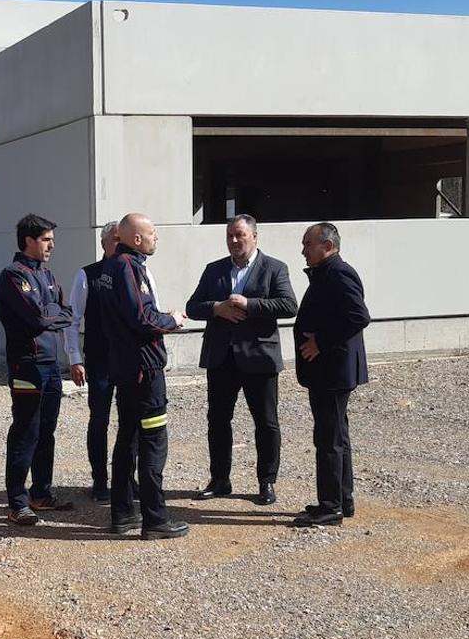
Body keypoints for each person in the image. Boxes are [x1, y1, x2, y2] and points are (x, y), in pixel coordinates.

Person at [186, 214, 298, 506]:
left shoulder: (274, 268)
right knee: (218, 420)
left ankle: (267, 482)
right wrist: (217, 308)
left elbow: (288, 305)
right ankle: (220, 479)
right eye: (230, 237)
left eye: (240, 235)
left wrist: (250, 304)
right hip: (221, 357)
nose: (234, 241)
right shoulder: (214, 270)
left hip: (259, 358)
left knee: (266, 422)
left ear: (254, 236)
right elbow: (193, 306)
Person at [99, 212, 189, 540]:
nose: (156, 238)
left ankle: (123, 514)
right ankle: (155, 519)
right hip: (143, 370)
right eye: (152, 233)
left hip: (128, 368)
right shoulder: (127, 267)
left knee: (128, 439)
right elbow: (141, 317)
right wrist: (172, 320)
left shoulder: (116, 265)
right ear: (136, 238)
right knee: (152, 441)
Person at [0, 213, 75, 526]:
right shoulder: (13, 275)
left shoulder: (48, 276)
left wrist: (51, 313)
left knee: (46, 432)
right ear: (29, 240)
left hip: (50, 365)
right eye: (46, 240)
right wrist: (51, 314)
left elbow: (66, 312)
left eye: (52, 240)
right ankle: (17, 503)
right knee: (25, 432)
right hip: (27, 365)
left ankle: (41, 493)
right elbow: (39, 319)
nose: (51, 246)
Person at [292, 222, 370, 527]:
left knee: (329, 438)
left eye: (308, 244)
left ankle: (331, 505)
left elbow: (358, 316)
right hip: (328, 370)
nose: (303, 250)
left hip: (333, 371)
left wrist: (320, 342)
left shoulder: (339, 272)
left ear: (327, 246)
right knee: (336, 435)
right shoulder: (327, 273)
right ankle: (341, 499)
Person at [65, 221, 127, 503]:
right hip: (100, 361)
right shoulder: (86, 275)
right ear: (103, 243)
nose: (119, 244)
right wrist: (75, 358)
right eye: (115, 239)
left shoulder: (137, 272)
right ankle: (100, 479)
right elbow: (73, 318)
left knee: (131, 421)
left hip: (130, 361)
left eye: (122, 239)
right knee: (99, 420)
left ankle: (127, 477)